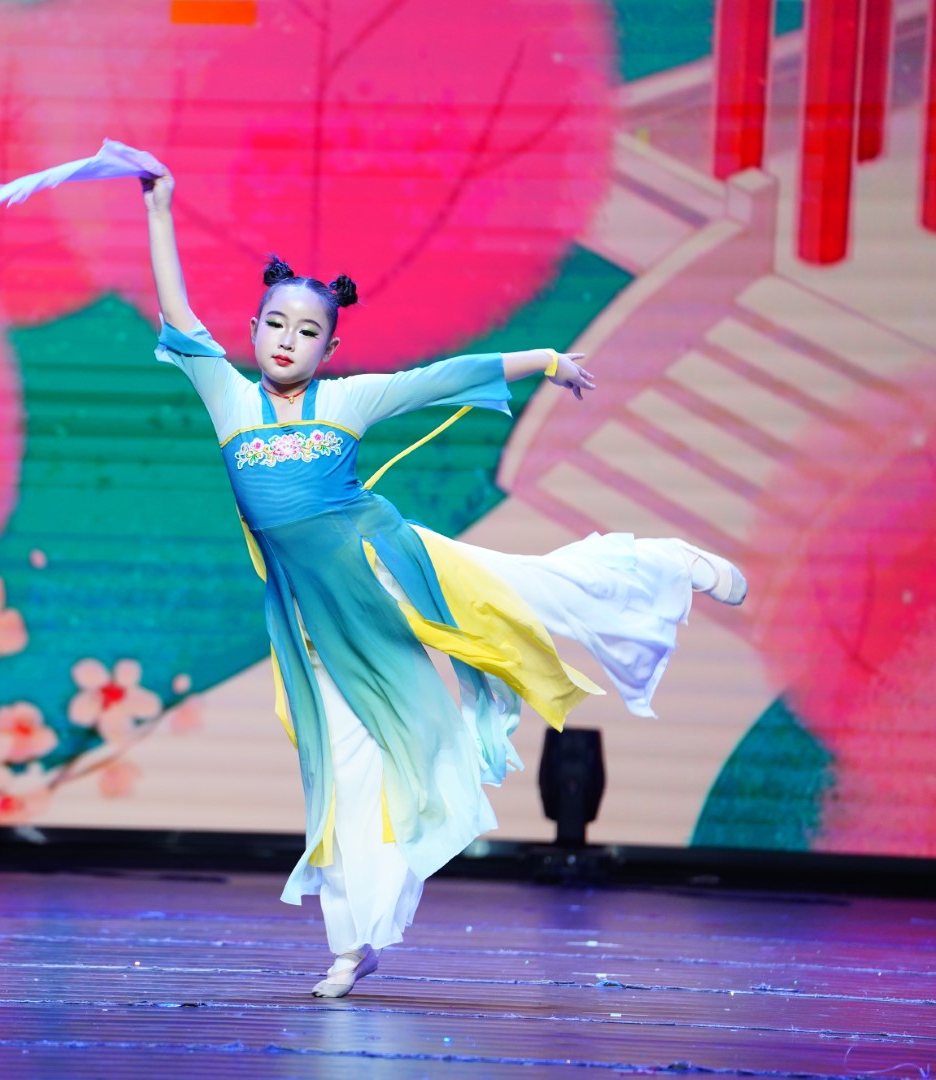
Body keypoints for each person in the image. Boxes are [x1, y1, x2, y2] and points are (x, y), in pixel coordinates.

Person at [139, 169, 747, 998]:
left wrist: (544, 360)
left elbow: (442, 376)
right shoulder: (227, 400)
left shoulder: (346, 401)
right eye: (274, 323)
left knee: (529, 591)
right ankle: (357, 940)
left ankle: (665, 564)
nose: (286, 340)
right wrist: (161, 209)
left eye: (307, 331)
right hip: (320, 625)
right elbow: (179, 315)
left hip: (395, 570)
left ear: (329, 350)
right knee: (344, 770)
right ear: (253, 329)